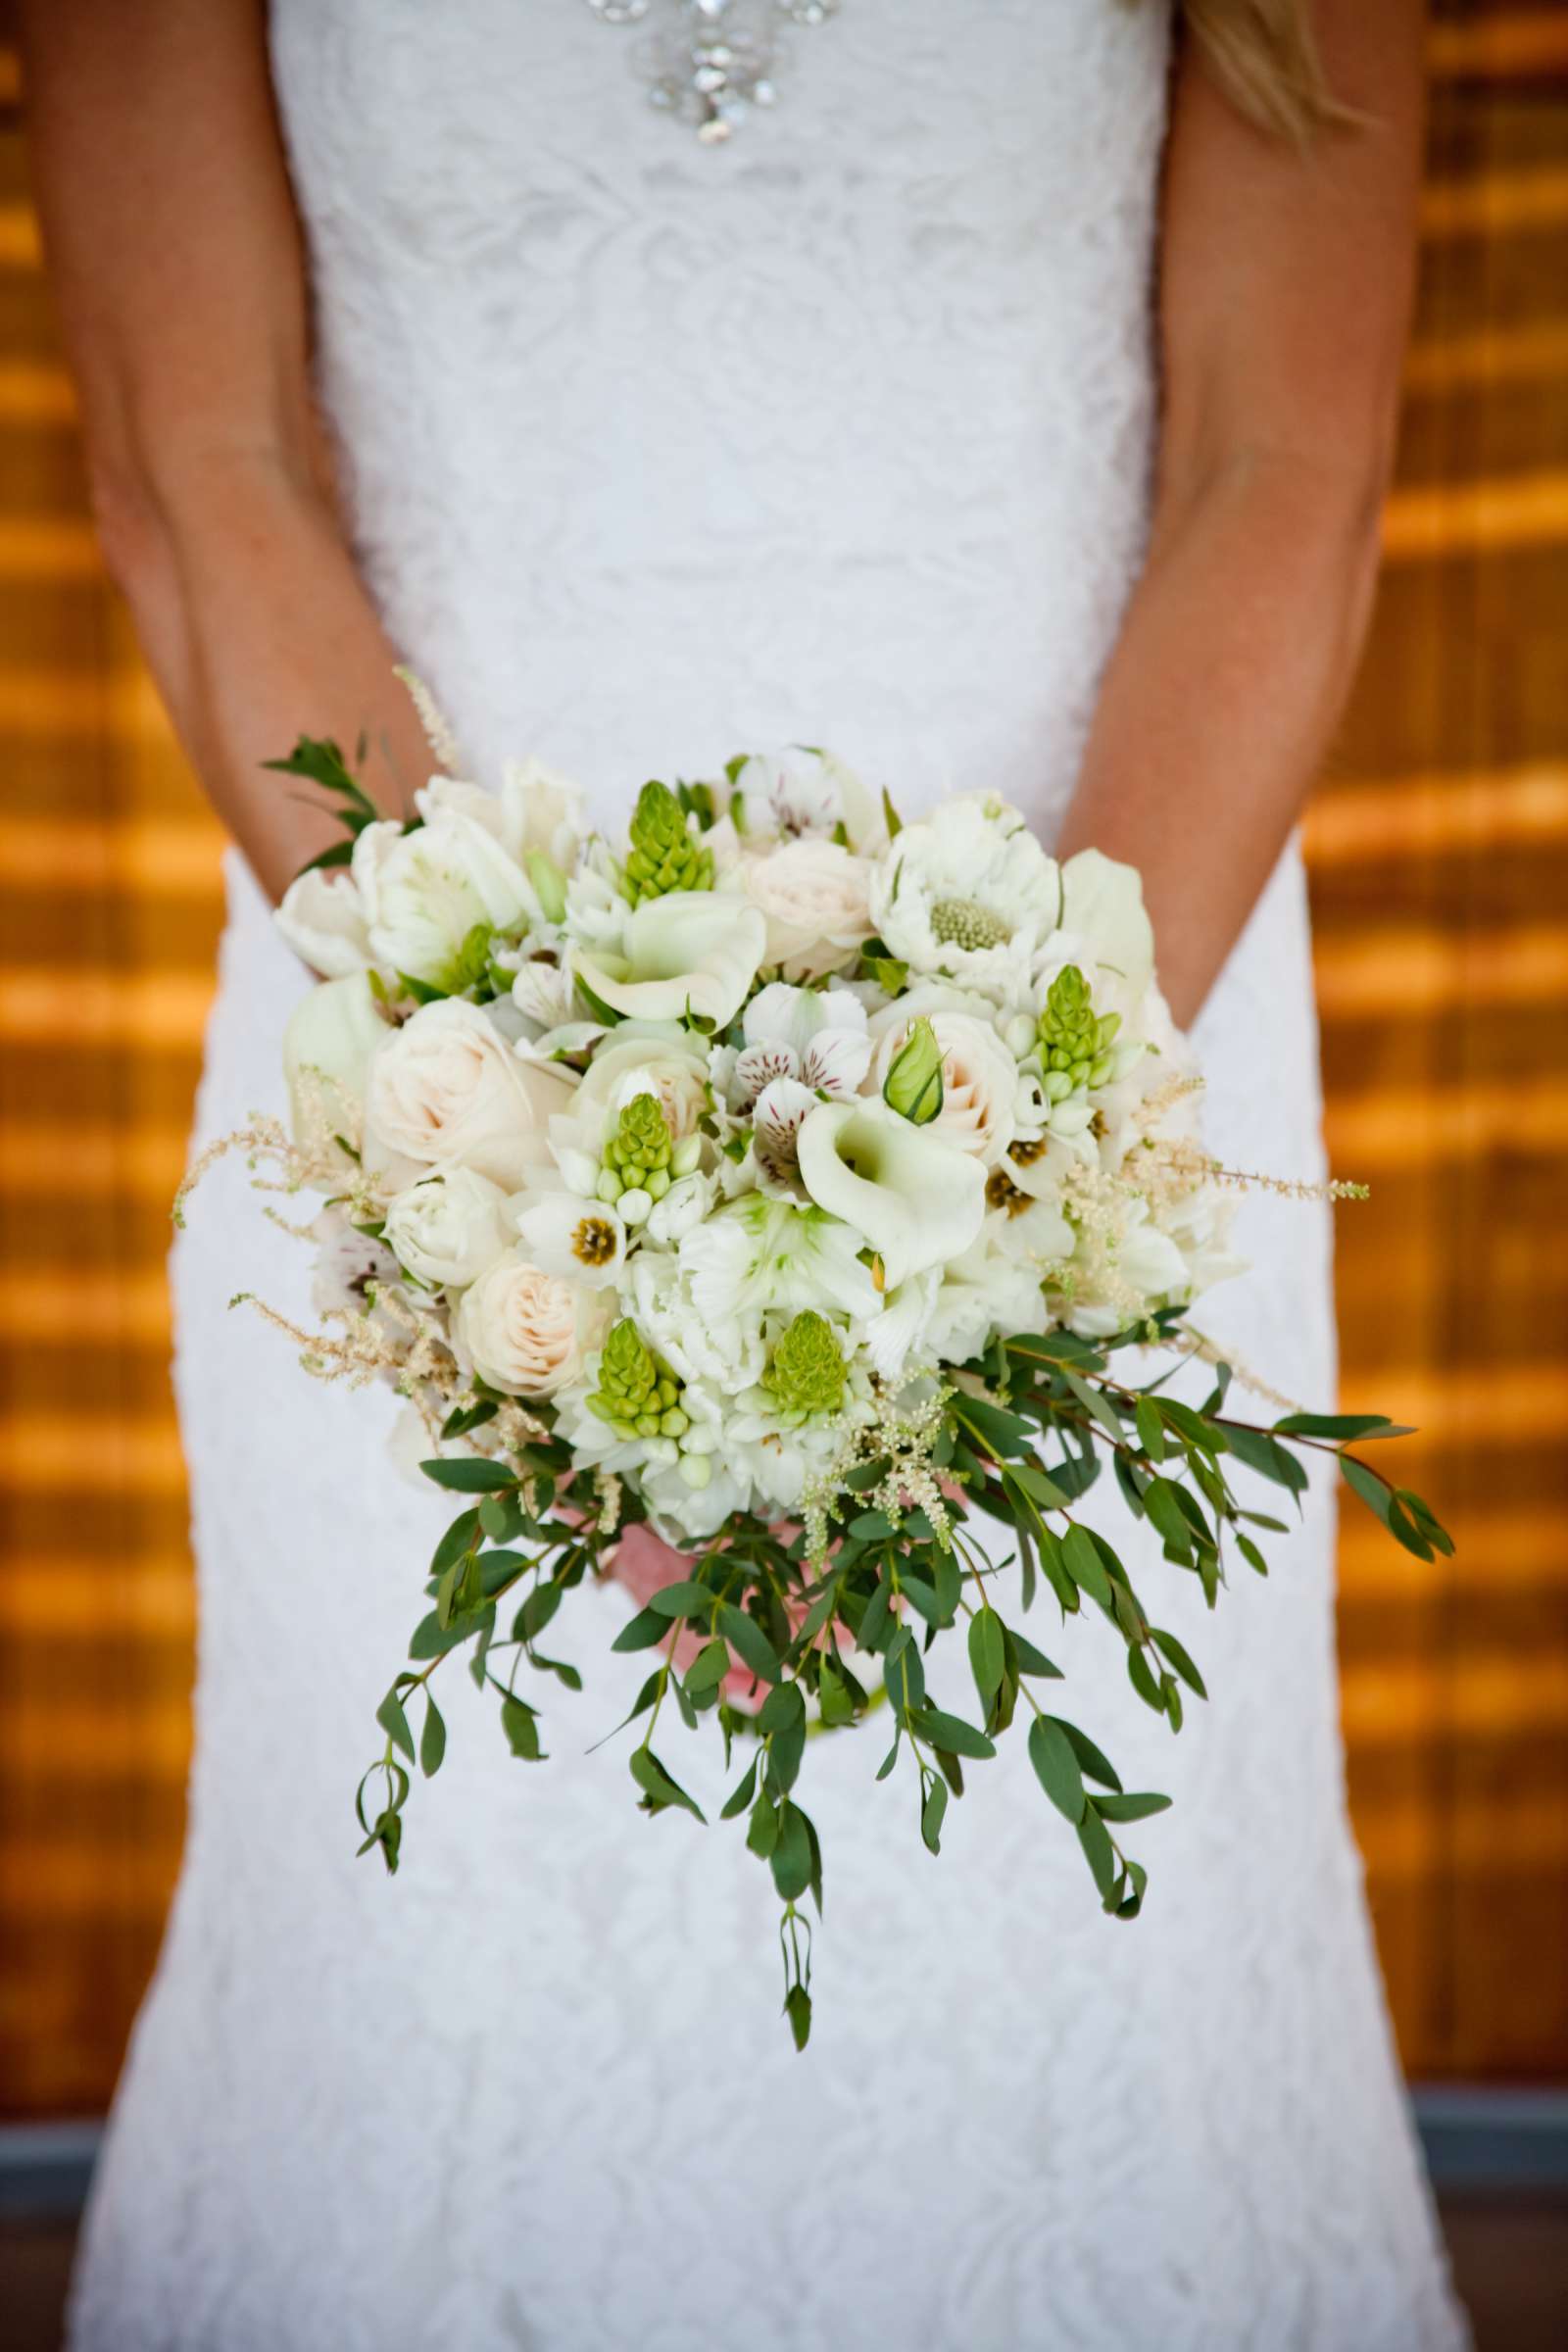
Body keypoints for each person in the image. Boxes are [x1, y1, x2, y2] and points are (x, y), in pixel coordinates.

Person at [24, 2, 1467, 2344]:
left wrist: (993, 1209)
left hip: (1109, 989)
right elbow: (204, 476)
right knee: (435, 1960)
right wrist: (518, 1209)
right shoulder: (455, 1154)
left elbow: (1277, 471)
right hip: (408, 1044)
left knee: (1078, 1971)